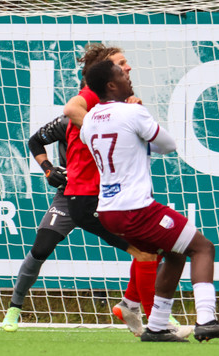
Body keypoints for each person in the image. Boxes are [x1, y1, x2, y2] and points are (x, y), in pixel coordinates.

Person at [80, 59, 219, 342]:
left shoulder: (90, 119)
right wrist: (141, 125)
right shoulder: (132, 112)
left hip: (108, 211)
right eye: (121, 72)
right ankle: (206, 319)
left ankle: (156, 326)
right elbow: (168, 145)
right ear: (111, 85)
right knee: (203, 248)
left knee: (175, 254)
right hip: (135, 208)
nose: (128, 75)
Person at [61, 44, 183, 337]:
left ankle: (131, 304)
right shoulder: (96, 99)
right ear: (107, 74)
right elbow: (71, 108)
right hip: (88, 195)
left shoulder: (119, 105)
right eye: (121, 63)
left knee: (150, 249)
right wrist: (105, 125)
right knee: (147, 252)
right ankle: (156, 322)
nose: (127, 67)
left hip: (102, 195)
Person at [1, 115, 72, 331]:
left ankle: (149, 310)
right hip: (69, 196)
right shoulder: (68, 121)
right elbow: (35, 141)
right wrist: (49, 169)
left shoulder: (117, 118)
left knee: (139, 245)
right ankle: (14, 308)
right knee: (41, 248)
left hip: (105, 198)